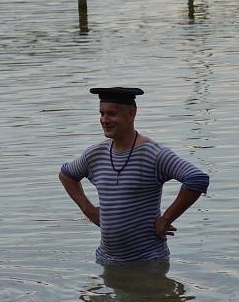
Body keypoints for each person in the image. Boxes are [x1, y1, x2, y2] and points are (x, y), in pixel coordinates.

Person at [59, 87, 209, 264]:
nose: (104, 120)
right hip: (107, 260)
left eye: (112, 114)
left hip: (148, 262)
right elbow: (66, 175)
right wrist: (89, 210)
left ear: (132, 113)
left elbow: (197, 179)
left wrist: (166, 219)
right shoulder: (95, 154)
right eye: (102, 113)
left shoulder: (153, 154)